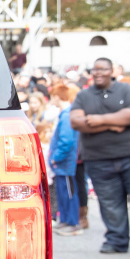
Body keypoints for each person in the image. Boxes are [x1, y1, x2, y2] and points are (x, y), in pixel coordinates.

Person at [71, 57, 130, 258]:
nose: (98, 73)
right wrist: (114, 124)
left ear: (112, 71)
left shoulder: (126, 90)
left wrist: (98, 120)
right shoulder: (83, 95)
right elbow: (76, 122)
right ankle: (116, 240)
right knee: (110, 203)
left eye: (103, 69)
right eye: (95, 69)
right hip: (98, 158)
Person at [49, 85, 82, 236]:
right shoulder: (65, 114)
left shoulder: (67, 115)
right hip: (62, 163)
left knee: (68, 193)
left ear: (57, 96)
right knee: (63, 192)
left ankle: (72, 222)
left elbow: (66, 141)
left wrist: (55, 157)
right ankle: (65, 221)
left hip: (65, 162)